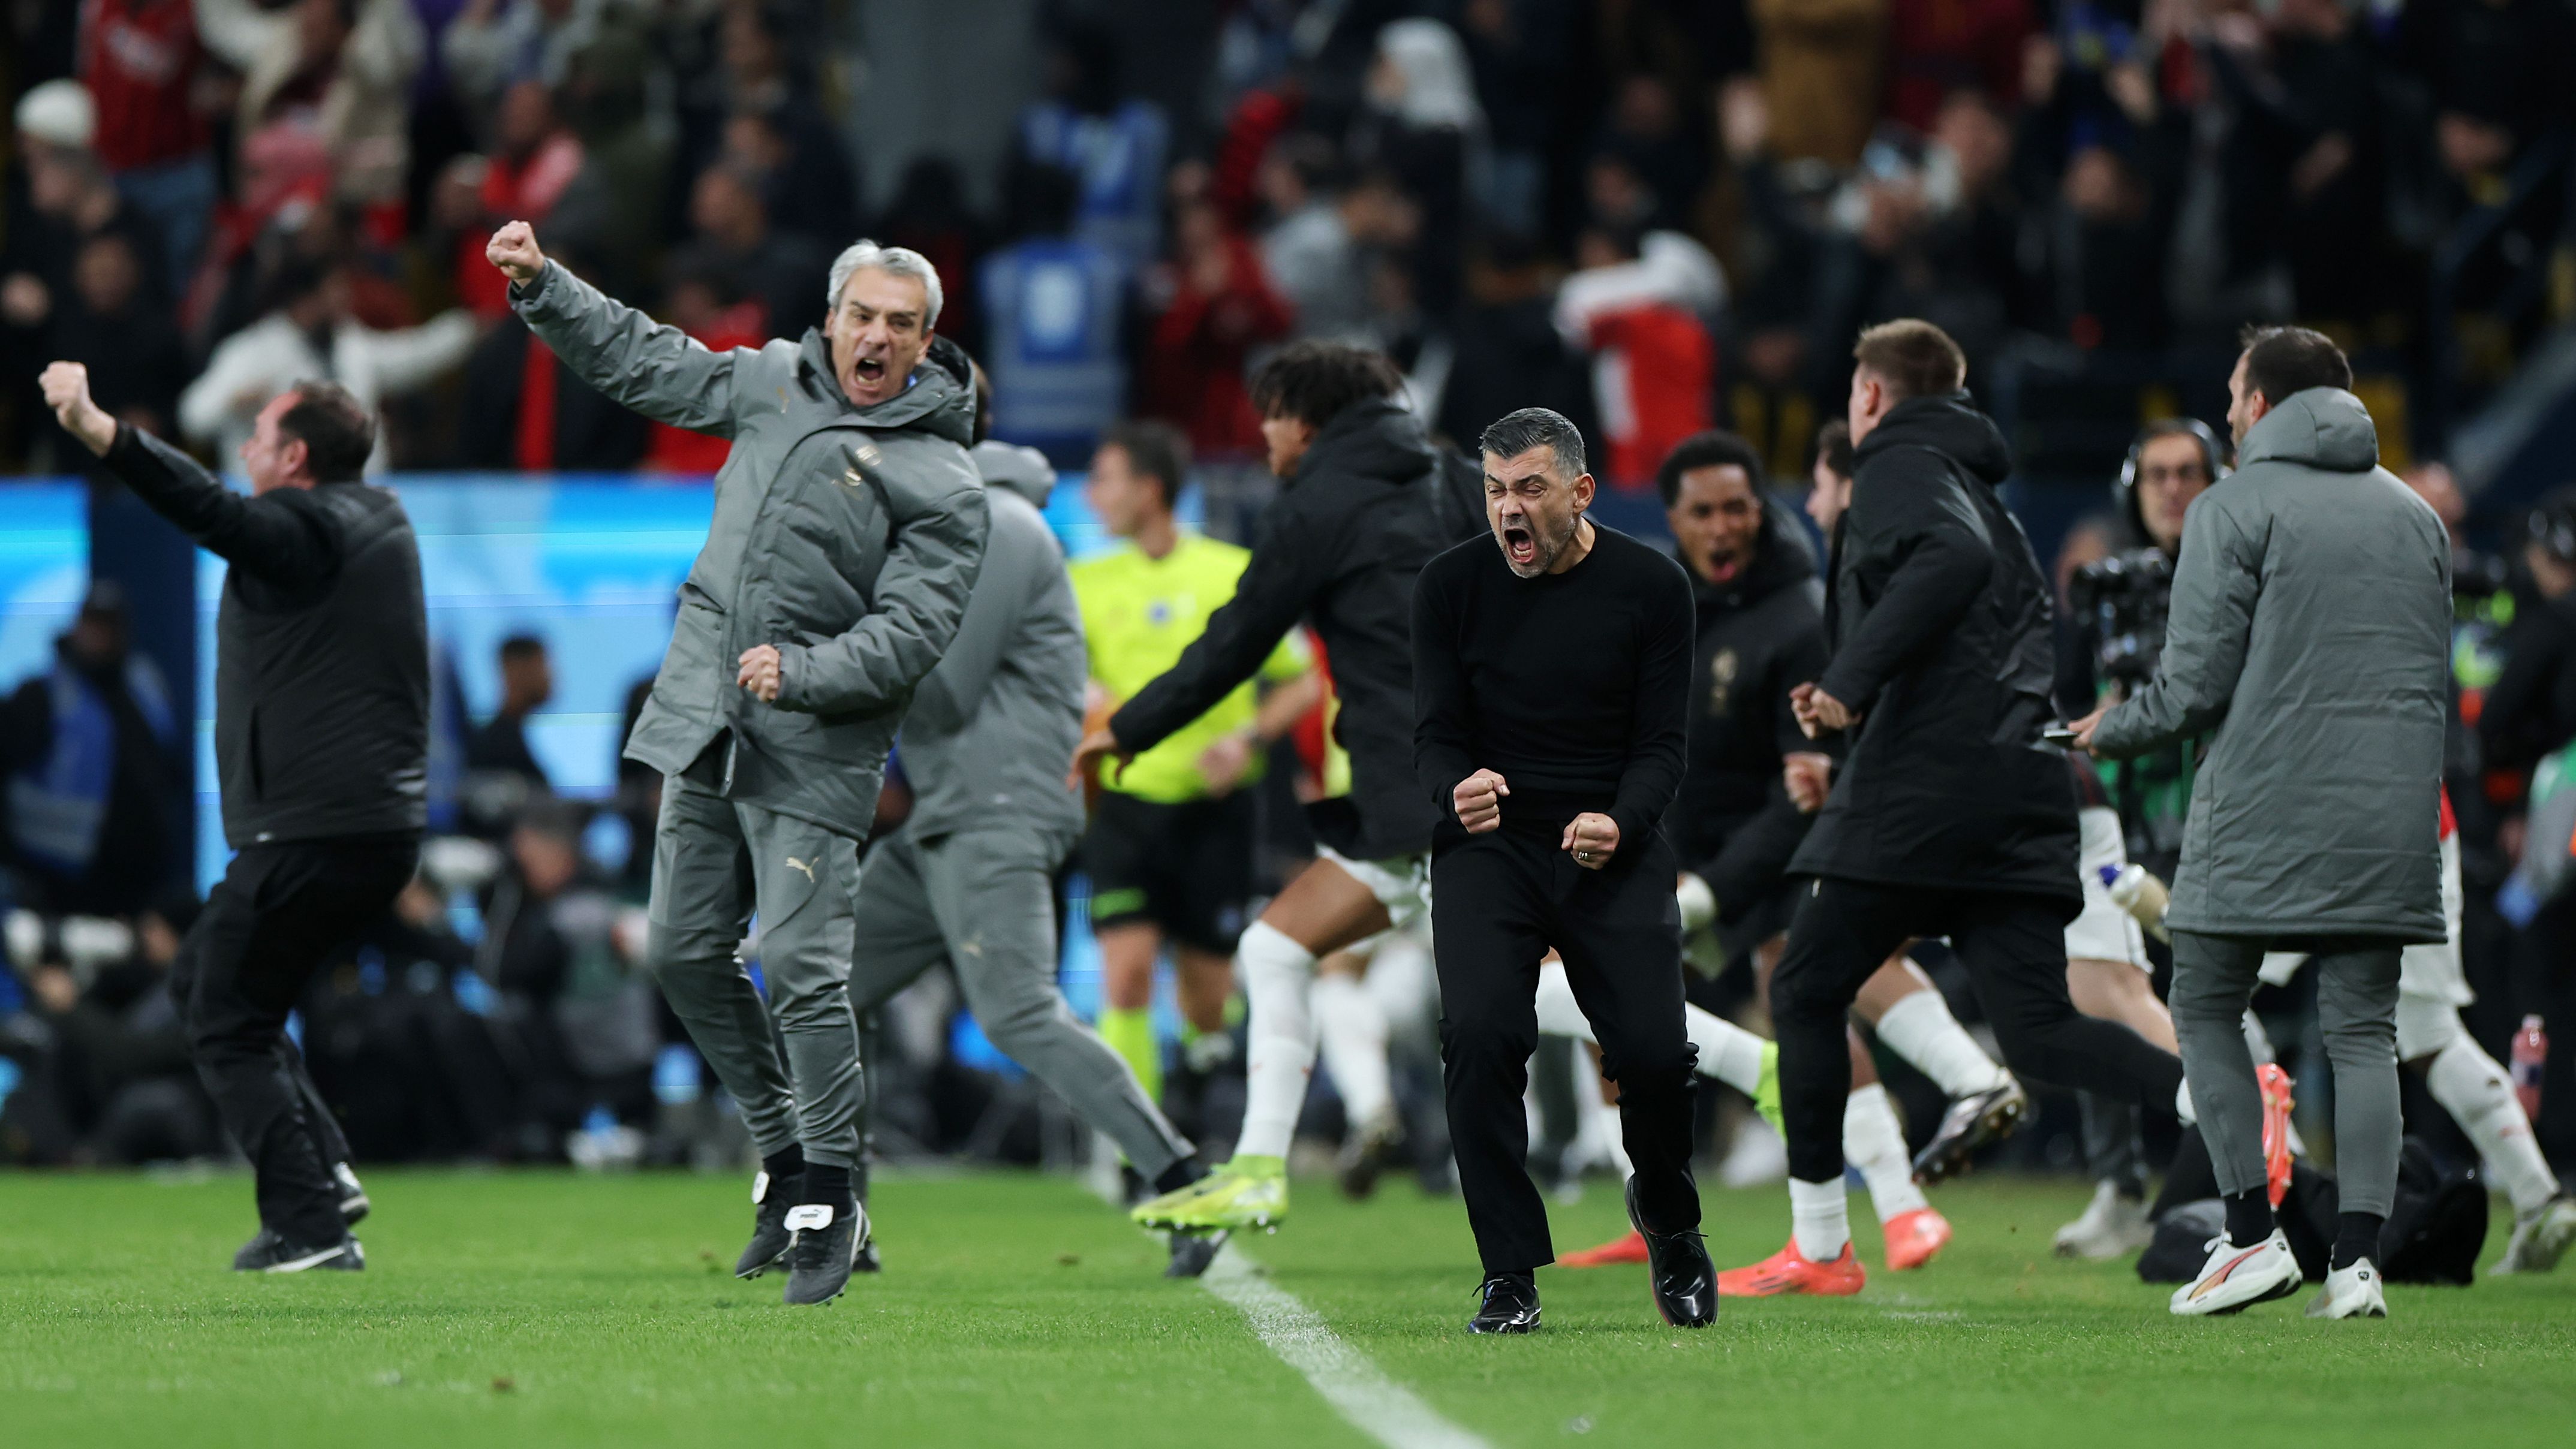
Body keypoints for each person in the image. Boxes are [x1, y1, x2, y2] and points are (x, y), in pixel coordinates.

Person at [487, 219, 988, 1306]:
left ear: (926, 341)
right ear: (831, 318)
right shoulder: (769, 382)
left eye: (902, 325)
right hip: (705, 717)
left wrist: (802, 672)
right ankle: (787, 1157)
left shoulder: (946, 480)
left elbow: (913, 632)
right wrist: (544, 284)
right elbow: (642, 359)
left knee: (804, 973)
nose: (878, 337)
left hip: (817, 746)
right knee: (676, 950)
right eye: (863, 315)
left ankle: (831, 1194)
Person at [1725, 320, 2189, 1299]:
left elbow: (1946, 564)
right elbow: (1967, 636)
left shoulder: (1897, 465)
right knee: (2039, 1032)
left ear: (1873, 398)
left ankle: (1819, 1243)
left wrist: (1846, 680)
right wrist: (1847, 715)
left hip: (1931, 794)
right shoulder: (1984, 488)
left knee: (1805, 985)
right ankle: (2219, 1098)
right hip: (2020, 789)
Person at [2078, 326, 2453, 1319]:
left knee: (2201, 999)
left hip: (2260, 807)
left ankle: (2251, 1237)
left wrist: (2106, 730)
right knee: (2363, 1028)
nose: (2234, 411)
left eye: (2238, 394)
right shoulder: (2418, 516)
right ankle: (2359, 1263)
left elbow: (2193, 685)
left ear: (2260, 404)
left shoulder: (2230, 505)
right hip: (2391, 815)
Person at [1087, 341, 1483, 1239]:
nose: (1263, 435)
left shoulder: (1317, 504)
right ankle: (1259, 1169)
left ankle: (1748, 1067)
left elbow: (1238, 641)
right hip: (1483, 777)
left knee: (1544, 993)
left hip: (1415, 791)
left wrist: (1131, 725)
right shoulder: (1459, 482)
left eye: (1269, 415)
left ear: (1304, 420)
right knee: (1274, 952)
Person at [40, 362, 426, 1272]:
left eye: (258, 433)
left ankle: (309, 1226)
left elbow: (213, 511)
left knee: (221, 1011)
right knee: (212, 991)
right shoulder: (374, 521)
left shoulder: (306, 524)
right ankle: (321, 1170)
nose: (244, 445)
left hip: (315, 831)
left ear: (293, 458)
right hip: (363, 829)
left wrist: (103, 432)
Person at [847, 400, 1217, 1277]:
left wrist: (844, 637)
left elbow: (943, 691)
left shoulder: (1003, 527)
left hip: (998, 810)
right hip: (948, 813)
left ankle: (1179, 1176)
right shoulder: (958, 528)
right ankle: (832, 1204)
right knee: (815, 982)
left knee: (1016, 1011)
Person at [1412, 406, 1711, 1333]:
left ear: (1580, 493)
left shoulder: (1653, 587)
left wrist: (1618, 823)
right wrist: (1454, 788)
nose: (1508, 508)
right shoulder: (1448, 586)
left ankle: (1667, 1219)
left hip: (1612, 847)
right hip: (1490, 849)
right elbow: (1433, 736)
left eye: (1530, 488)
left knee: (1655, 1058)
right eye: (1496, 489)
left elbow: (1663, 746)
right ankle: (1509, 1274)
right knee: (1483, 1038)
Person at [1070, 421, 1319, 1125]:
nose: (1094, 494)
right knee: (1126, 972)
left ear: (1150, 490)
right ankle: (1135, 1139)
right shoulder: (1082, 582)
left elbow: (1301, 681)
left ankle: (1201, 1077)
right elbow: (1056, 677)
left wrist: (1246, 738)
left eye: (1107, 477)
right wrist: (1087, 702)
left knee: (1208, 995)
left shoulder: (1232, 571)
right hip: (1123, 805)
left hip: (1216, 807)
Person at [0, 581, 184, 918]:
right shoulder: (41, 695)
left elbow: (168, 763)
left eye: (109, 625)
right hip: (58, 880)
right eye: (93, 623)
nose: (100, 635)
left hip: (139, 883)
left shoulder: (145, 685)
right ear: (77, 626)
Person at [466, 634, 553, 789]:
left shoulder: (510, 738)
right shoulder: (497, 748)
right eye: (542, 666)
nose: (550, 678)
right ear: (514, 669)